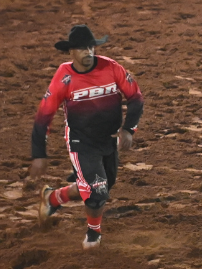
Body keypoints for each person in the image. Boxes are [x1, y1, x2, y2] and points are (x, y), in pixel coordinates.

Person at [29, 25, 144, 250]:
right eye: (82, 48)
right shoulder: (64, 77)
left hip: (109, 140)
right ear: (71, 52)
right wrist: (39, 154)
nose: (88, 52)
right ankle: (93, 235)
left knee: (99, 186)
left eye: (91, 47)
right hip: (82, 142)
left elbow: (135, 97)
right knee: (97, 191)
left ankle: (53, 198)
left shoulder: (112, 67)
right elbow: (44, 116)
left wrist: (128, 129)